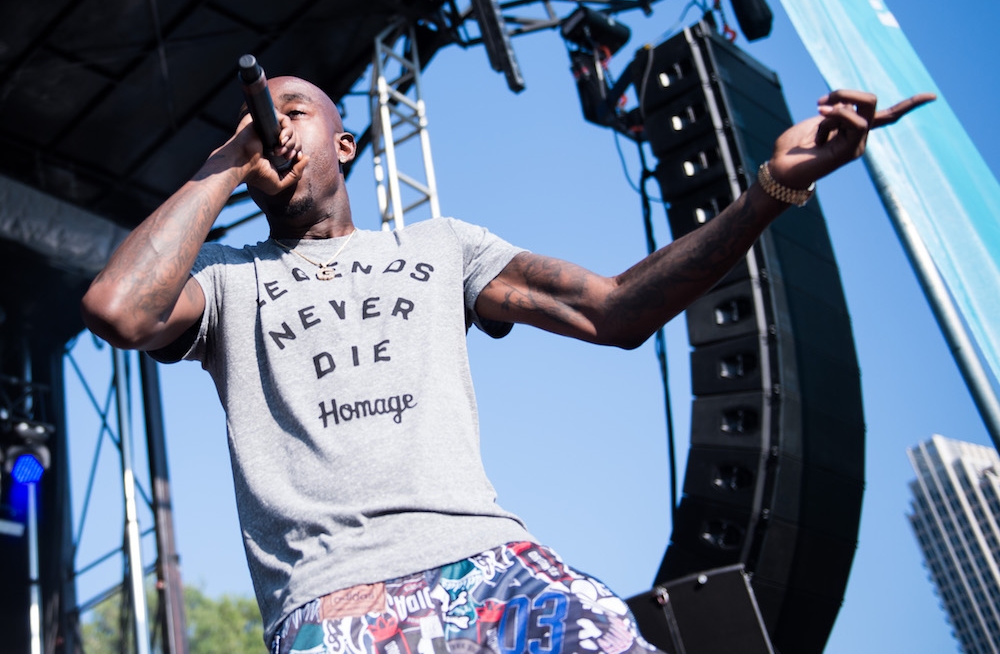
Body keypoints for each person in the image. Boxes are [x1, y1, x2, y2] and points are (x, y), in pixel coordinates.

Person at [81, 74, 932, 653]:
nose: (273, 125)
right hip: (335, 598)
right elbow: (120, 310)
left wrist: (770, 189)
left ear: (345, 143)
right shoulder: (227, 278)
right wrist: (225, 164)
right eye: (257, 119)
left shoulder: (441, 247)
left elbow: (613, 311)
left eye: (295, 110)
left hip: (488, 563)